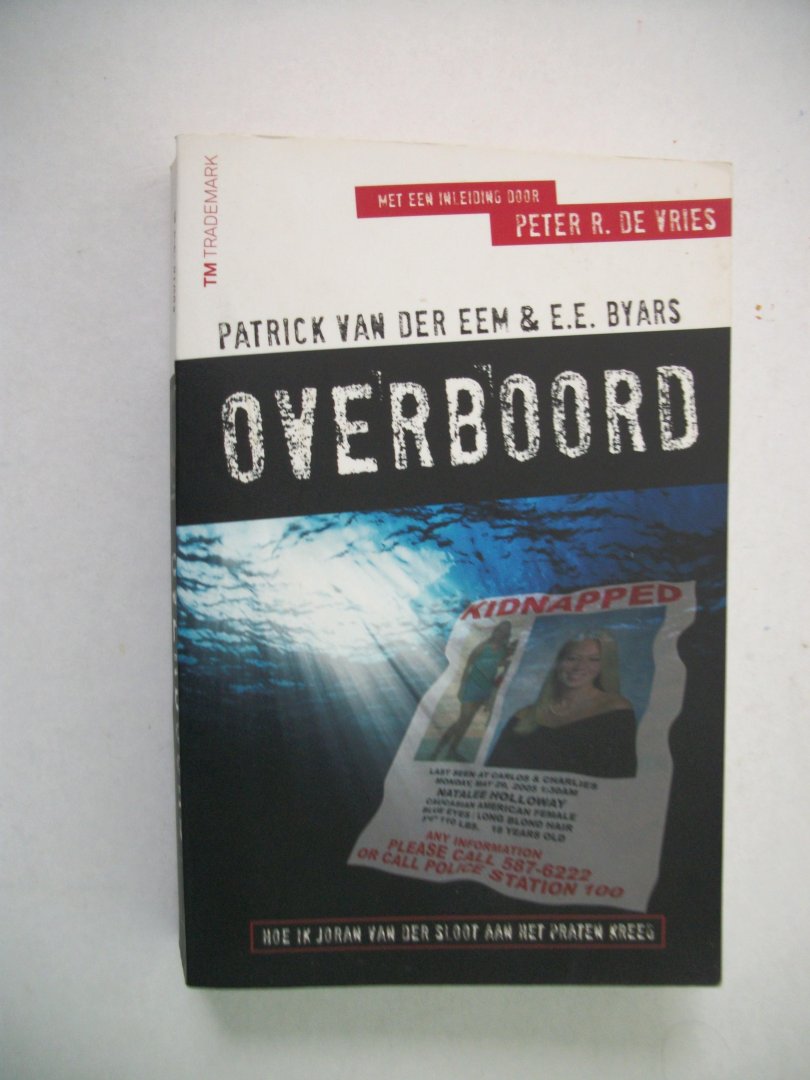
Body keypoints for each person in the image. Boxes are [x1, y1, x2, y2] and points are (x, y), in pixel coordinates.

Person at [487, 633, 637, 777]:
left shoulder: (615, 709)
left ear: (604, 665)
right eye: (572, 658)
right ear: (558, 662)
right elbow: (495, 769)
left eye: (593, 659)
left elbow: (620, 775)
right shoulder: (524, 716)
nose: (579, 667)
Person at [431, 621, 514, 762]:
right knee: (462, 721)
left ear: (507, 634)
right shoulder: (482, 647)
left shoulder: (503, 650)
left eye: (505, 632)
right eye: (500, 630)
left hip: (486, 689)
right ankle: (437, 751)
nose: (501, 633)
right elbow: (468, 666)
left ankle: (451, 751)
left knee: (466, 722)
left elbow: (498, 663)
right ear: (495, 630)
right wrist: (462, 687)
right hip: (471, 686)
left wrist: (506, 661)